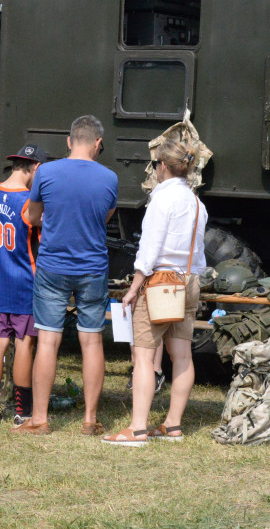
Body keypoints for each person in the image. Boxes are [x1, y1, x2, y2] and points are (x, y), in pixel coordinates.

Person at [14, 116, 118, 436]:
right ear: (98, 144)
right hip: (93, 269)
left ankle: (40, 419)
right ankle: (89, 419)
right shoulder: (110, 178)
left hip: (53, 268)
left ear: (69, 140)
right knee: (91, 342)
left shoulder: (45, 171)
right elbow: (104, 217)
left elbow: (31, 217)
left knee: (47, 341)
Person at [103, 139, 207, 446]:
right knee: (183, 356)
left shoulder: (162, 200)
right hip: (188, 280)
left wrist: (134, 288)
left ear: (162, 167)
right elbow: (198, 254)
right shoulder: (197, 204)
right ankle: (172, 426)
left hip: (160, 283)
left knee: (145, 358)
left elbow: (148, 252)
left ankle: (136, 429)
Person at [0, 143, 48, 427]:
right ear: (35, 168)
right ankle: (22, 411)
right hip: (24, 281)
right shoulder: (27, 202)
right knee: (24, 343)